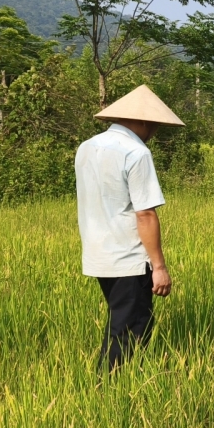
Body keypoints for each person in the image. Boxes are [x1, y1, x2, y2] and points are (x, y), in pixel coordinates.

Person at [75, 85, 184, 370]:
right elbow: (145, 214)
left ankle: (107, 386)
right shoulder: (136, 152)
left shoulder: (87, 147)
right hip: (129, 258)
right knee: (131, 331)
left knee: (121, 322)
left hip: (98, 254)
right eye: (156, 126)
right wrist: (159, 267)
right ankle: (108, 391)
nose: (155, 133)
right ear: (146, 121)